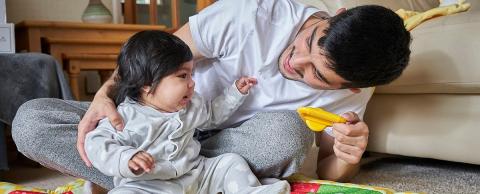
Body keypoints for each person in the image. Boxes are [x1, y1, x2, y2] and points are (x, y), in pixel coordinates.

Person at [12, 0, 411, 190]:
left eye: (315, 74)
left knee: (287, 134)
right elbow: (154, 56)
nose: (295, 61)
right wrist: (105, 94)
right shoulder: (255, 13)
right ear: (335, 15)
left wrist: (348, 157)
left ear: (351, 87)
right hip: (146, 134)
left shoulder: (356, 89)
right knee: (31, 122)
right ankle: (154, 178)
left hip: (222, 151)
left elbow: (327, 170)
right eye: (308, 41)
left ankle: (159, 183)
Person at [84, 30, 289, 193]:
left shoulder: (191, 104)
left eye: (192, 75)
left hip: (196, 175)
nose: (192, 84)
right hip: (148, 185)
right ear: (147, 83)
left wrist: (235, 93)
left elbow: (212, 115)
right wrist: (125, 158)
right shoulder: (125, 115)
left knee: (229, 162)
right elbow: (95, 143)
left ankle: (249, 191)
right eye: (183, 76)